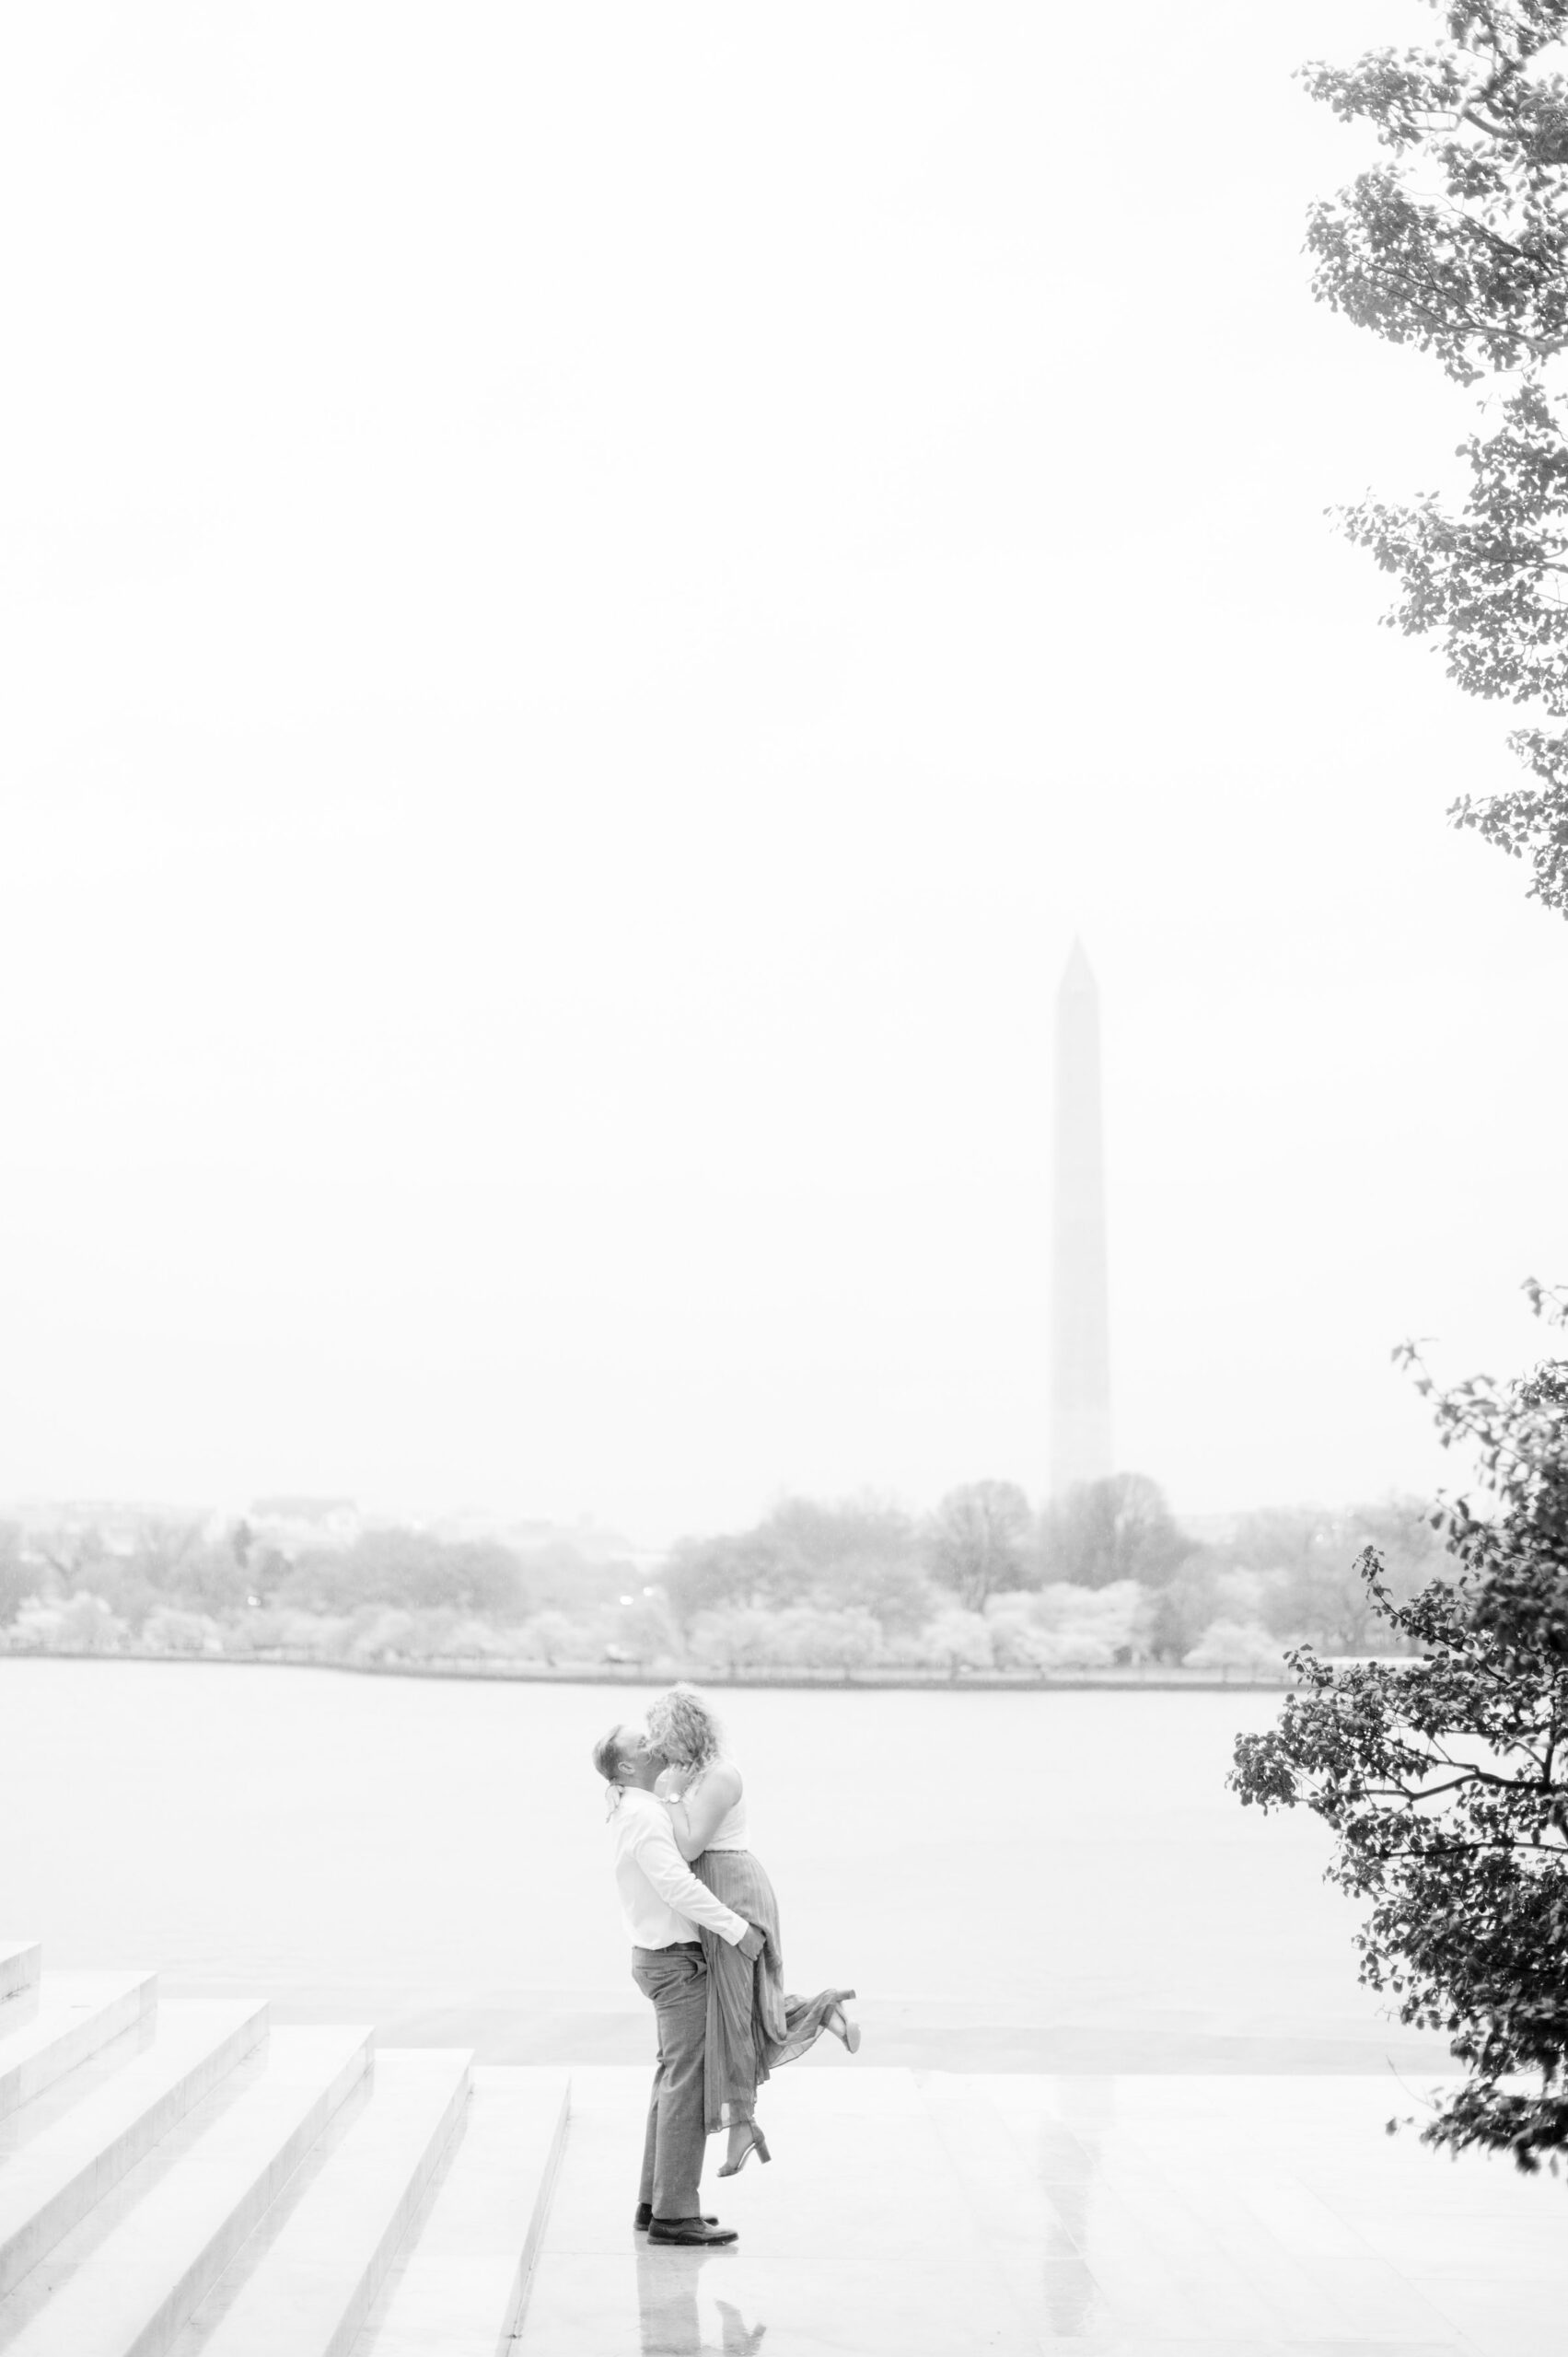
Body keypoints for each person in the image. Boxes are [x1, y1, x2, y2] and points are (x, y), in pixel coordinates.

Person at [647, 1683, 859, 2177]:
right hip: (712, 1891)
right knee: (732, 2008)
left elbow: (692, 1846)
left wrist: (671, 1798)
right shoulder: (688, 1774)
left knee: (734, 2009)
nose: (659, 1746)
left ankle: (747, 2115)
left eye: (662, 1733)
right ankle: (747, 2118)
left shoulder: (720, 1775)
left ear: (684, 1729)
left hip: (733, 1888)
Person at [593, 1718, 766, 2247]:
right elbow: (676, 1885)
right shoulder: (645, 1815)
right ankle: (674, 2215)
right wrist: (737, 1930)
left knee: (671, 2081)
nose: (653, 1743)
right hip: (675, 1961)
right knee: (685, 2087)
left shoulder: (636, 1807)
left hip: (660, 1957)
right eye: (640, 1744)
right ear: (626, 1766)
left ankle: (656, 2204)